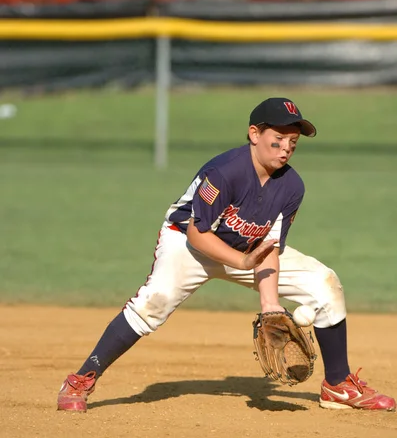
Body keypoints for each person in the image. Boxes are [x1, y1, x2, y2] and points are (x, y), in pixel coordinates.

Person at [57, 97, 396, 413]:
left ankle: (337, 385)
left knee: (325, 284)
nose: (286, 148)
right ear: (254, 134)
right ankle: (82, 379)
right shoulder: (225, 172)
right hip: (189, 244)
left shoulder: (292, 187)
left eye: (293, 141)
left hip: (250, 250)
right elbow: (197, 233)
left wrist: (270, 305)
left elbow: (268, 248)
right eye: (278, 138)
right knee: (153, 303)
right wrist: (242, 263)